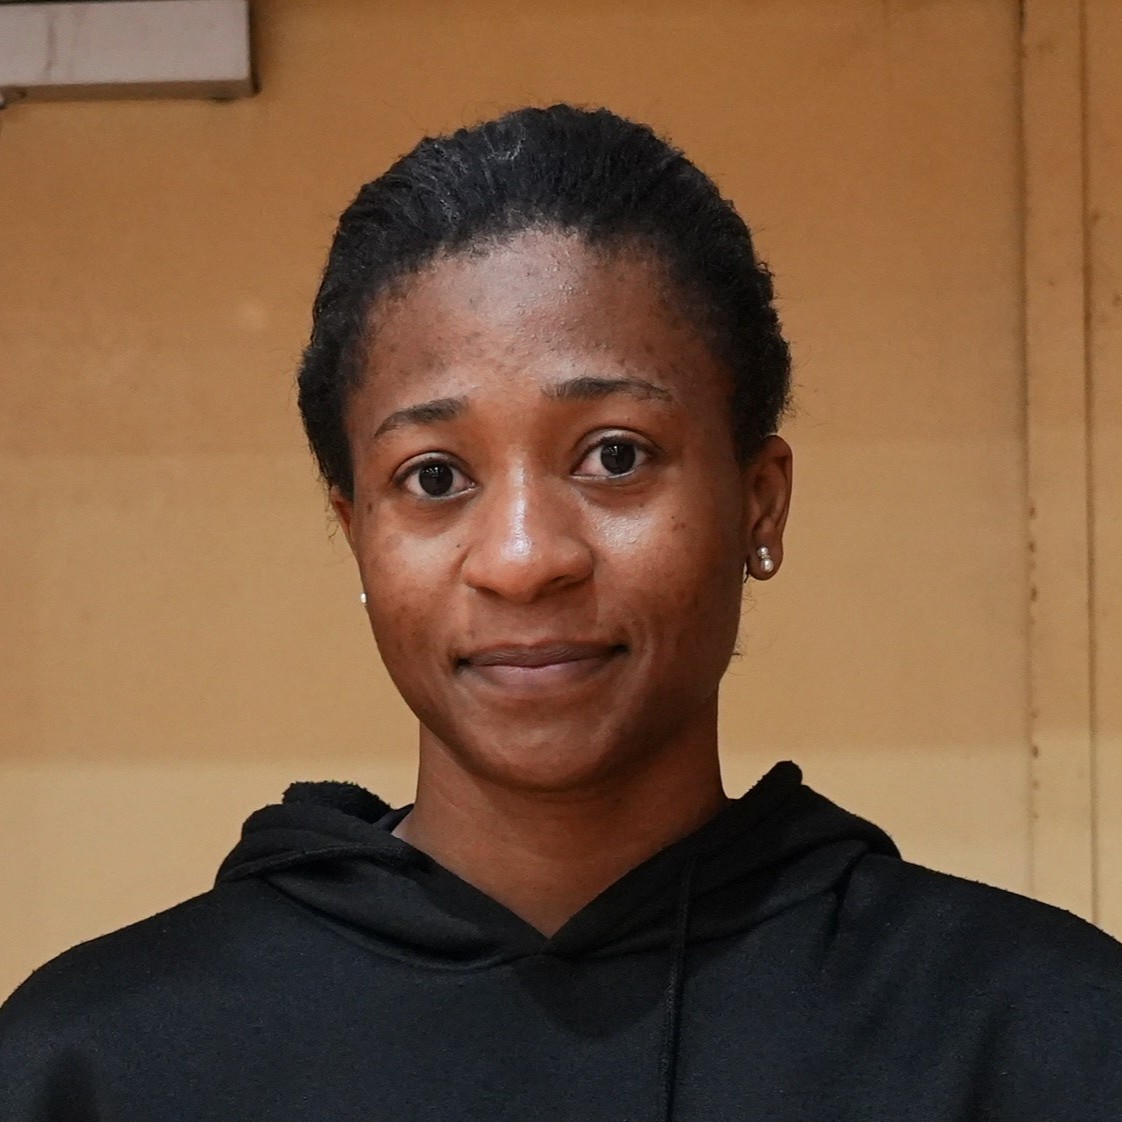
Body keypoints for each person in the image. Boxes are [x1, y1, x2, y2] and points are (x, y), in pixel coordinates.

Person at [1, 104, 1120, 1121]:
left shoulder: (1037, 1037)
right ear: (356, 533)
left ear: (759, 503)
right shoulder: (98, 1065)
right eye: (435, 477)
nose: (525, 559)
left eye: (615, 456)